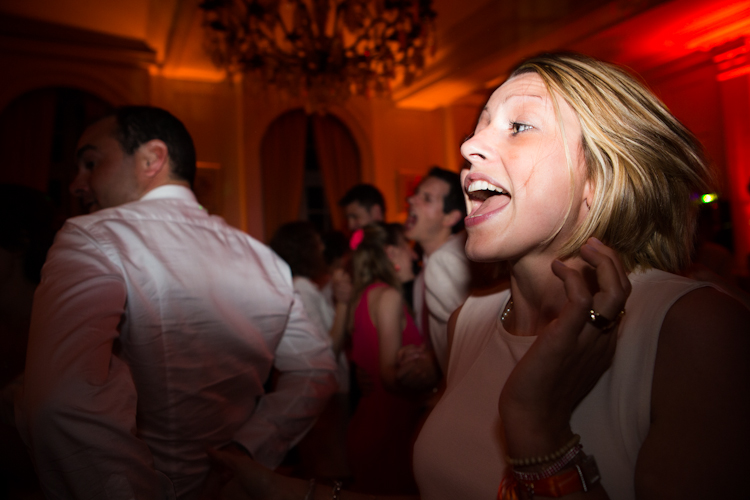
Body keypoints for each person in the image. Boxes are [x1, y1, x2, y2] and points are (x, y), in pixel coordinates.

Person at [205, 52, 749, 500]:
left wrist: (539, 434)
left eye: (518, 126)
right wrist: (278, 490)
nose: (467, 148)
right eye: (478, 128)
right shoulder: (471, 318)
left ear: (599, 176)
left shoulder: (695, 329)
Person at [16, 106, 337, 500]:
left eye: (90, 162)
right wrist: (248, 447)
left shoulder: (94, 237)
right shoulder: (264, 257)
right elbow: (317, 370)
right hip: (233, 486)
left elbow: (60, 405)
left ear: (153, 158)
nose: (76, 184)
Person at [270, 221, 353, 480]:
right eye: (317, 243)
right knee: (328, 468)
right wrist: (343, 304)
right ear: (305, 249)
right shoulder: (301, 289)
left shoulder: (305, 287)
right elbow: (327, 351)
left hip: (326, 390)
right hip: (323, 392)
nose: (322, 247)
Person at [345, 222, 424, 495]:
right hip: (390, 430)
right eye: (407, 247)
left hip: (369, 422)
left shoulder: (363, 295)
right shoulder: (388, 296)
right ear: (391, 252)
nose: (414, 255)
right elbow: (389, 375)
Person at [398, 167, 473, 383]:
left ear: (450, 217)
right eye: (416, 193)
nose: (411, 200)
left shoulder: (446, 262)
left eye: (427, 198)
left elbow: (470, 342)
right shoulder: (425, 270)